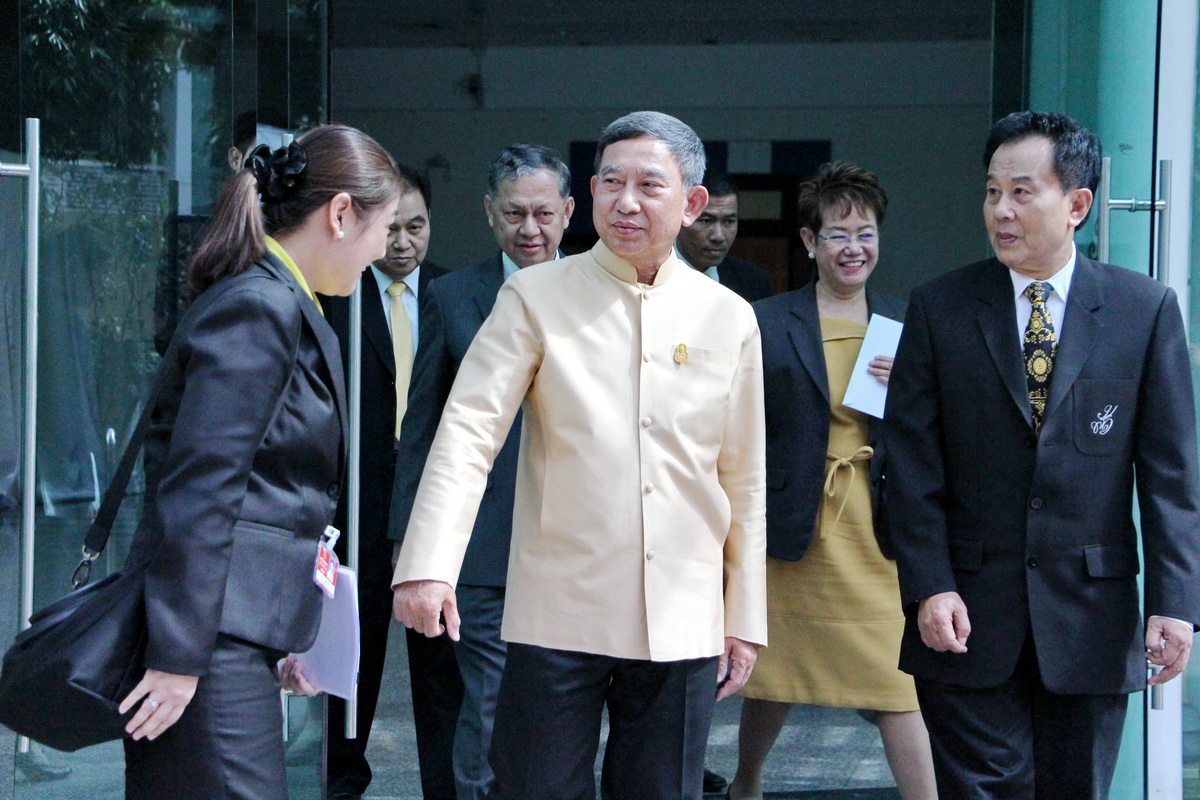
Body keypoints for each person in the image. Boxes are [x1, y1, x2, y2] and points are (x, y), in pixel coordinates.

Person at [392, 110, 767, 800]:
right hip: (557, 611)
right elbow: (468, 432)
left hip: (683, 615)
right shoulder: (534, 295)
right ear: (590, 194)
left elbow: (743, 478)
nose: (626, 202)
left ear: (691, 203)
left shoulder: (729, 316)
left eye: (649, 185)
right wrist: (427, 565)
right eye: (611, 183)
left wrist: (744, 617)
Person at [886, 110, 1200, 799]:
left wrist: (1175, 602)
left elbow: (1172, 476)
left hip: (1091, 618)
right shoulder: (941, 309)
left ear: (1077, 205)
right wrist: (929, 583)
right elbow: (909, 468)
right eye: (992, 192)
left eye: (1022, 193)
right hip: (965, 615)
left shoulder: (1142, 311)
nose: (1001, 211)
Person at [115, 124, 403, 800]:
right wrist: (179, 657)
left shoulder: (274, 300)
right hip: (206, 652)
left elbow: (260, 494)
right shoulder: (259, 307)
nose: (384, 250)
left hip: (227, 644)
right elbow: (202, 491)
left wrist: (287, 631)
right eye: (385, 227)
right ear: (341, 214)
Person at [726, 162, 936, 800]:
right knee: (775, 674)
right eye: (838, 234)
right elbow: (736, 425)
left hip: (875, 528)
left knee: (896, 682)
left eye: (866, 234)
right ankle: (746, 785)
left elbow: (936, 429)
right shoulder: (764, 320)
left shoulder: (906, 322)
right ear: (809, 240)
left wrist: (909, 384)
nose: (854, 248)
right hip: (794, 524)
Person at [389, 143, 574, 800]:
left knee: (560, 710)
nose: (530, 229)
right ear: (490, 212)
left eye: (544, 214)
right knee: (489, 704)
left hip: (577, 546)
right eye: (515, 213)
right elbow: (422, 428)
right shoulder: (452, 296)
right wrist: (412, 543)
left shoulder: (602, 294)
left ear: (568, 212)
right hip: (484, 544)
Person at [321, 165, 448, 800]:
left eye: (415, 227)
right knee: (355, 649)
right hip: (359, 500)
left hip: (435, 500)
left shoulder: (455, 295)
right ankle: (342, 776)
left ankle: (446, 785)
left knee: (441, 660)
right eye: (392, 228)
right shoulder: (337, 294)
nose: (402, 243)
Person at [675, 172, 773, 302]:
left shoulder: (754, 282)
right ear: (681, 217)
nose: (718, 236)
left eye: (728, 222)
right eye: (706, 221)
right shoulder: (650, 278)